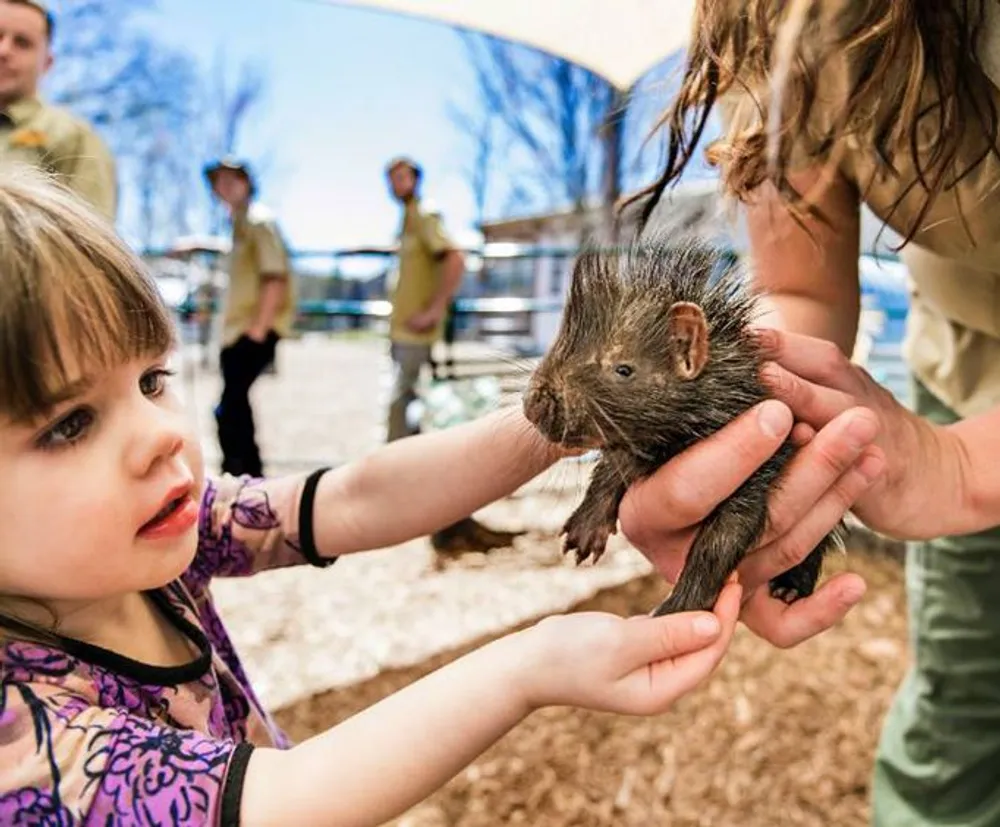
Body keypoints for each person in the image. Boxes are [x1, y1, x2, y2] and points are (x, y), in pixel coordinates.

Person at [0, 165, 882, 825]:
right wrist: (529, 664)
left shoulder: (161, 535)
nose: (159, 434)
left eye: (153, 379)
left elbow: (353, 496)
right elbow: (288, 803)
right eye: (70, 423)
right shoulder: (21, 737)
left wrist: (568, 418)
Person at [626, 1, 1000, 823]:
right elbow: (801, 286)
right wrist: (740, 415)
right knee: (965, 696)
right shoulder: (783, 19)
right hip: (968, 359)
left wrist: (967, 470)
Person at [384, 154, 520, 557]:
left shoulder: (425, 216)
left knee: (413, 408)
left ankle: (402, 486)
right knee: (415, 412)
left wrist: (433, 309)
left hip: (418, 332)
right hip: (403, 331)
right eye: (391, 178)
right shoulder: (407, 219)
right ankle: (419, 495)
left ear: (416, 178)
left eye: (402, 176)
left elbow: (455, 257)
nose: (396, 184)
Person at [204, 157, 296, 478]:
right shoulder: (238, 225)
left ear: (247, 183)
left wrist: (259, 328)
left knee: (229, 411)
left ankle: (242, 478)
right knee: (235, 410)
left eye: (232, 180)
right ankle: (246, 480)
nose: (225, 187)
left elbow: (275, 276)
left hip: (252, 331)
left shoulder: (258, 222)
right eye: (219, 182)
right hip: (237, 331)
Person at [0, 0, 116, 220]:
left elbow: (86, 247)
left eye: (22, 43)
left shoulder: (75, 140)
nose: (4, 50)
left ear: (47, 62)